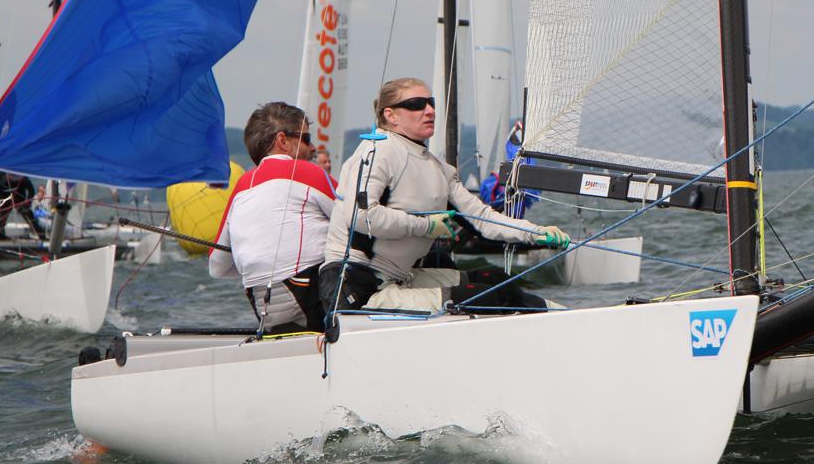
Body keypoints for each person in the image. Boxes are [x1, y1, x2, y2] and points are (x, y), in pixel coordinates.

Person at [319, 77, 570, 314]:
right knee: (485, 296)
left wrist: (535, 232)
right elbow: (361, 216)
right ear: (390, 115)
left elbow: (482, 218)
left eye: (431, 103)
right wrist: (426, 226)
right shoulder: (377, 150)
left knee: (498, 282)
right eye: (416, 104)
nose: (429, 111)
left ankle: (565, 316)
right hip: (356, 284)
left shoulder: (439, 169)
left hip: (398, 279)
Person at [209, 102, 336, 334]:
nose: (313, 147)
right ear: (282, 140)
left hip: (262, 306)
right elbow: (360, 221)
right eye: (306, 138)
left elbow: (217, 266)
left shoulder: (242, 185)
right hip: (311, 301)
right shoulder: (309, 172)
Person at [0, 172, 44, 240]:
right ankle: (0, 235)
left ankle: (41, 235)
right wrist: (6, 203)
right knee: (2, 217)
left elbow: (31, 191)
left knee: (29, 215)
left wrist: (27, 203)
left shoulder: (22, 176)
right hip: (5, 198)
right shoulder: (0, 177)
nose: (14, 178)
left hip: (19, 199)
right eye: (12, 177)